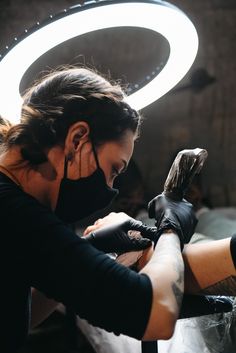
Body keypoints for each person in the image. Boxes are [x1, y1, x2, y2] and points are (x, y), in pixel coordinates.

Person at [0, 66, 198, 353]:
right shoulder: (14, 212)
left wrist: (85, 249)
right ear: (78, 139)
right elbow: (157, 314)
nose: (109, 188)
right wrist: (171, 229)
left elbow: (18, 314)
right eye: (113, 170)